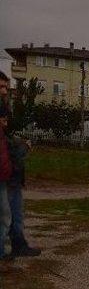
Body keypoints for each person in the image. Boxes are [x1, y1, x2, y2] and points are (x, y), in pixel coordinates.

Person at [8, 134, 40, 256]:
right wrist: (25, 147)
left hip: (13, 180)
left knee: (14, 216)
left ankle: (19, 245)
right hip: (10, 181)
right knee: (12, 216)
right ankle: (17, 246)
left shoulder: (6, 135)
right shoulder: (4, 137)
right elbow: (13, 156)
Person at [0, 106, 13, 261]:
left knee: (5, 217)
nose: (6, 121)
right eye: (4, 118)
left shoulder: (3, 135)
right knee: (5, 217)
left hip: (3, 179)